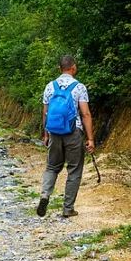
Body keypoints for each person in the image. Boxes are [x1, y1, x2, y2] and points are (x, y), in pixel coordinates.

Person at [37, 55, 95, 218]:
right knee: (74, 170)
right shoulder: (79, 87)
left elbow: (45, 113)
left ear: (59, 68)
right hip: (73, 132)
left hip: (54, 132)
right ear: (73, 68)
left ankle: (44, 195)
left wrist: (46, 134)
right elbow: (85, 114)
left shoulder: (50, 86)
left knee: (52, 167)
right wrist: (90, 138)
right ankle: (68, 208)